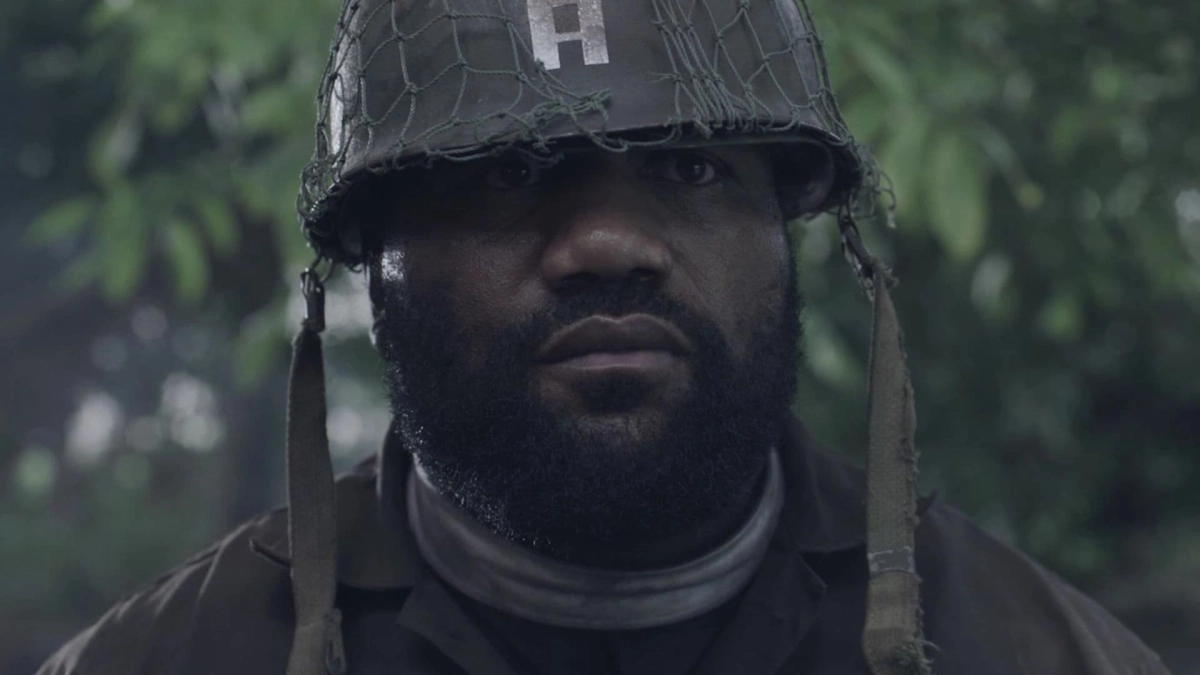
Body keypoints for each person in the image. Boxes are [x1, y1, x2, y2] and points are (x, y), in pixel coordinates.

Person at [39, 0, 1171, 673]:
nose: (607, 243)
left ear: (792, 230)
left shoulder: (1035, 653)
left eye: (693, 169)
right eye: (507, 174)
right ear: (371, 259)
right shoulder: (176, 657)